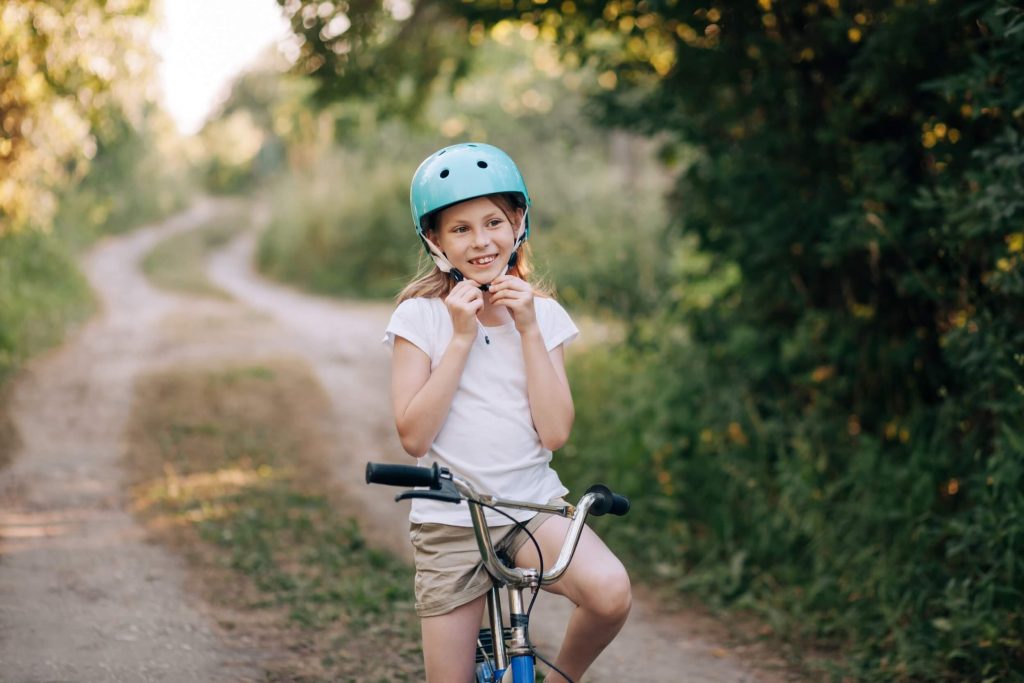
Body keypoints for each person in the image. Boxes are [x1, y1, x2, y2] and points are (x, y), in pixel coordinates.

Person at [382, 142, 632, 682]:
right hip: (453, 520)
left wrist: (529, 330)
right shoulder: (419, 317)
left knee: (610, 592)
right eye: (461, 229)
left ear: (518, 222)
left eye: (493, 221)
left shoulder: (542, 315)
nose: (481, 241)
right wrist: (460, 339)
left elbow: (556, 431)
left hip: (531, 509)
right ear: (434, 240)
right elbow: (414, 437)